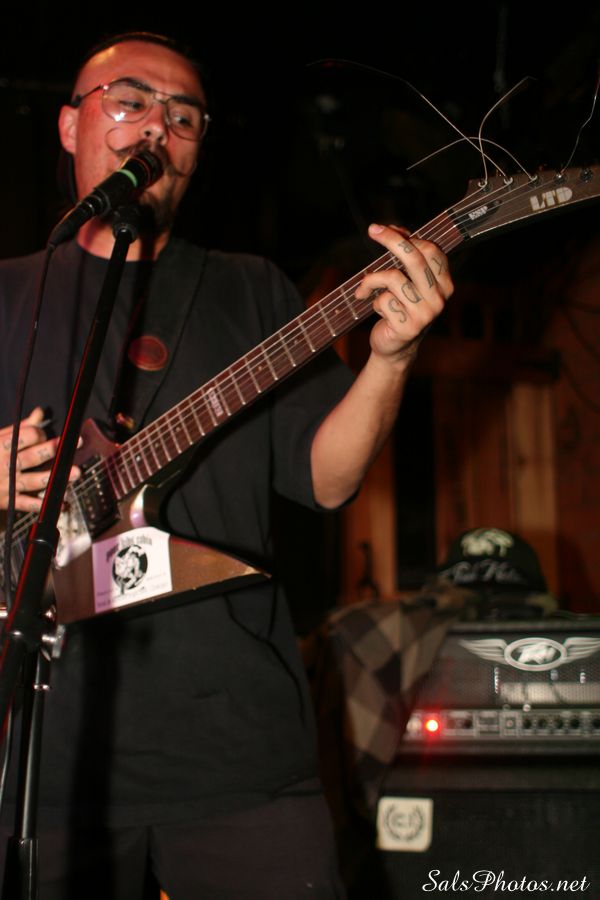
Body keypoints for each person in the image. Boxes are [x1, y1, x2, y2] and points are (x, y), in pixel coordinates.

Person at [0, 32, 453, 899]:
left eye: (184, 118)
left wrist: (391, 359)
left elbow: (326, 479)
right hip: (45, 757)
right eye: (130, 102)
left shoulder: (251, 289)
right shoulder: (9, 294)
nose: (156, 129)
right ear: (69, 126)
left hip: (238, 748)